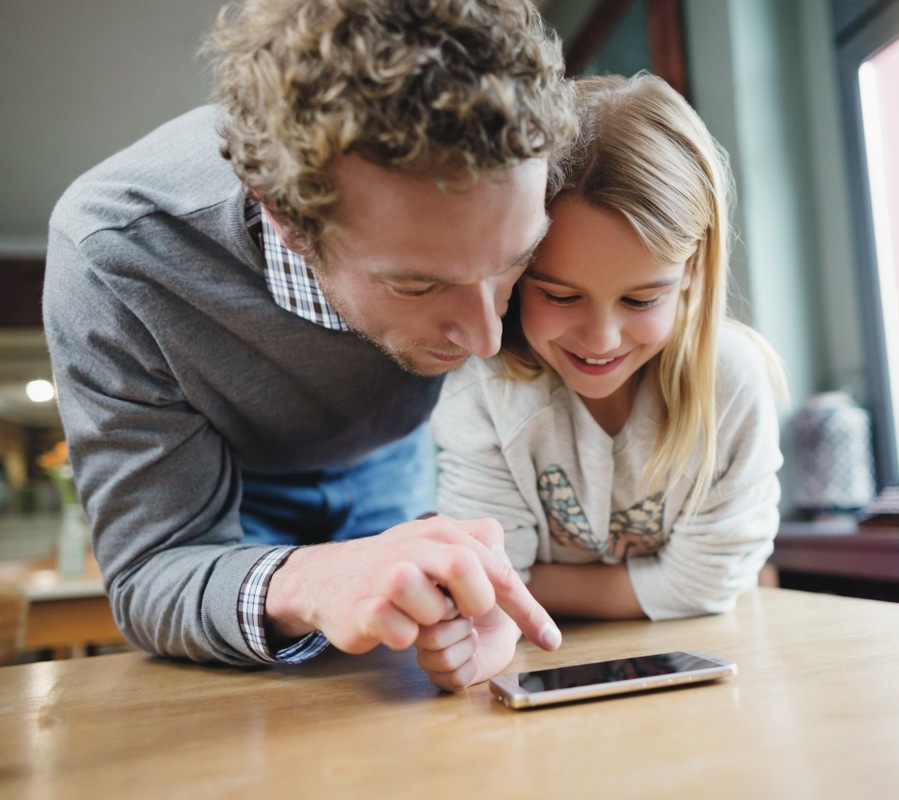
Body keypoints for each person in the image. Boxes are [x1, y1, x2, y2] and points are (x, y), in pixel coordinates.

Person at [41, 0, 576, 672]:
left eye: (512, 262)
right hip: (228, 488)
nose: (486, 338)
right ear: (288, 220)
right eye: (418, 285)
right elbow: (153, 571)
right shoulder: (113, 255)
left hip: (398, 453)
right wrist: (309, 580)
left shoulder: (538, 163)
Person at [426, 72, 785, 687]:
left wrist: (529, 583)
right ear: (515, 269)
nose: (601, 339)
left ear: (692, 271)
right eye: (561, 295)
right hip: (543, 667)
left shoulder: (731, 380)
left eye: (642, 300)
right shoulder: (482, 389)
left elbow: (711, 583)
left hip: (703, 665)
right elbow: (488, 587)